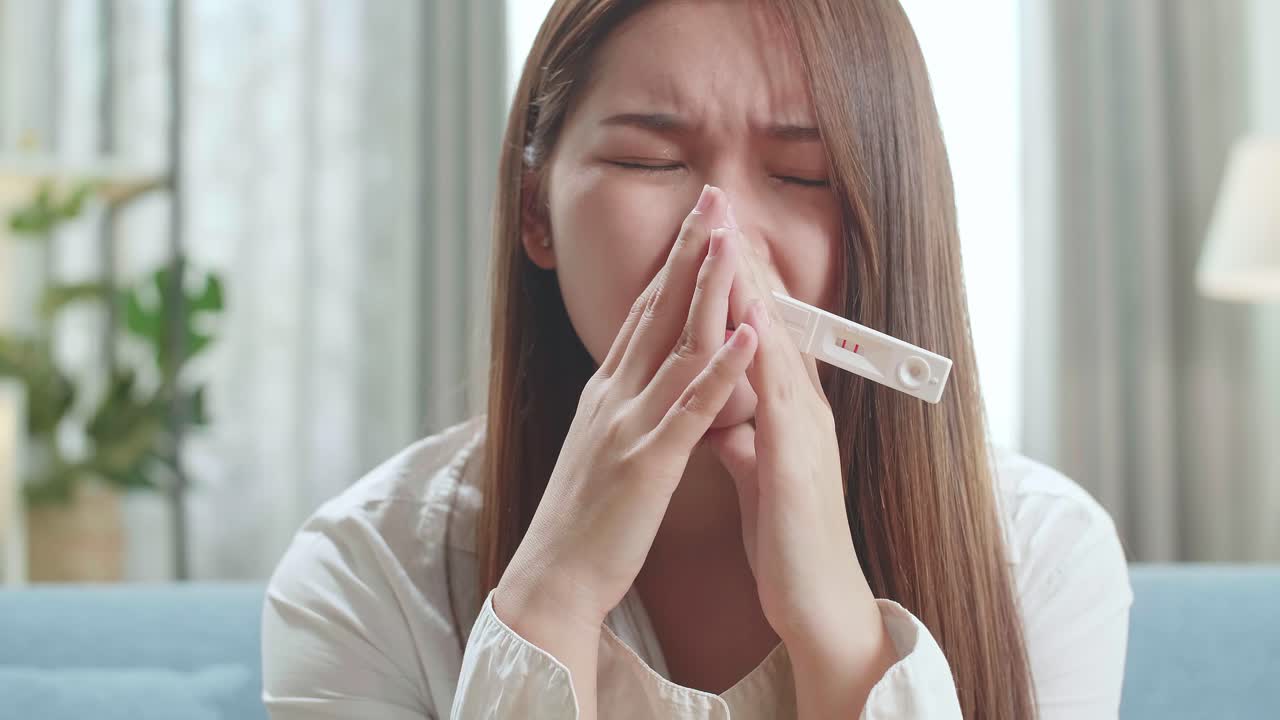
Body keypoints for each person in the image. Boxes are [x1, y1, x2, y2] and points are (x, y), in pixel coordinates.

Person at [261, 1, 1132, 718]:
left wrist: (836, 628)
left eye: (800, 174)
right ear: (536, 212)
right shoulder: (365, 570)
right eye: (649, 161)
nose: (721, 242)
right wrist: (553, 595)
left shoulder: (1039, 558)